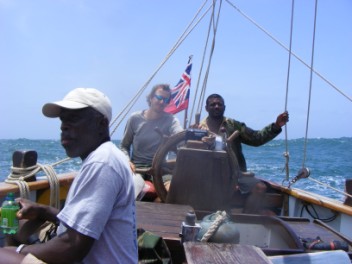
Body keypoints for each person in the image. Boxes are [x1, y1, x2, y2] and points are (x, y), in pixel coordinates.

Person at [0, 88, 138, 263]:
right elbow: (82, 224)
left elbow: (73, 247)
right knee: (17, 222)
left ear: (102, 124)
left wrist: (18, 251)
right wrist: (43, 210)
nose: (63, 126)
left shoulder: (102, 163)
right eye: (63, 119)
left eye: (74, 118)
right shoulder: (105, 156)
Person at [197, 93, 289, 214]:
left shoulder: (234, 126)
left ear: (224, 107)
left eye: (219, 104)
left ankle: (245, 219)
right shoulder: (198, 128)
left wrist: (276, 126)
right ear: (206, 108)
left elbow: (256, 138)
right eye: (212, 104)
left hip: (235, 173)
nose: (216, 106)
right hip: (209, 173)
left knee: (260, 187)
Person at [120, 84, 183, 197]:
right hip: (137, 168)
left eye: (166, 99)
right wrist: (127, 161)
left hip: (161, 168)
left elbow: (180, 136)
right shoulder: (134, 119)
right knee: (131, 191)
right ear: (151, 98)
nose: (162, 102)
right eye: (159, 98)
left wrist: (192, 135)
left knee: (172, 192)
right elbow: (124, 146)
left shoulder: (171, 120)